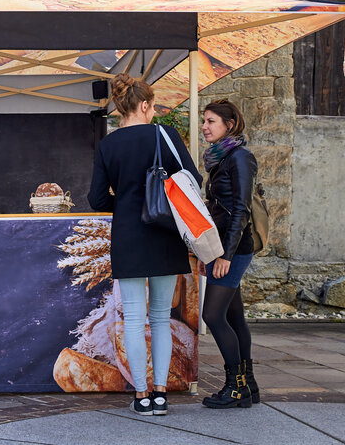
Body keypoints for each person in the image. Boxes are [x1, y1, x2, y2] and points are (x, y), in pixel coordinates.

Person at [87, 74, 200, 416]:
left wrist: (124, 204)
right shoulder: (166, 136)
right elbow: (191, 181)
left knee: (134, 319)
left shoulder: (108, 145)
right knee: (162, 318)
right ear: (146, 105)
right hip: (165, 234)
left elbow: (95, 199)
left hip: (129, 237)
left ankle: (140, 395)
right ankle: (162, 394)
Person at [200, 99, 259, 409]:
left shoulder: (240, 159)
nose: (204, 127)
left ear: (229, 124)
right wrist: (207, 251)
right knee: (234, 316)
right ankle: (248, 387)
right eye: (204, 121)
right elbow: (216, 211)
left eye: (211, 121)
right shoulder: (221, 160)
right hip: (221, 248)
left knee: (212, 315)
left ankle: (235, 388)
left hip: (234, 249)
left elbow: (241, 210)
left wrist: (224, 256)